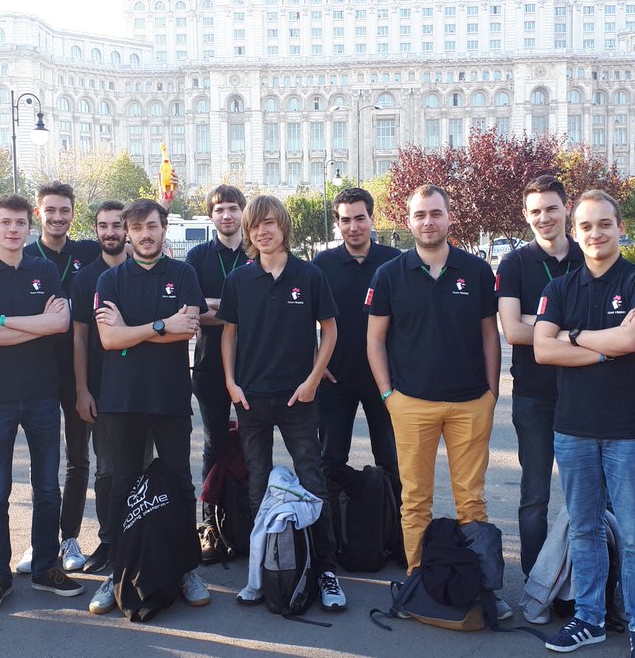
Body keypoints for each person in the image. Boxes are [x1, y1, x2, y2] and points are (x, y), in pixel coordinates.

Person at [365, 184, 508, 618]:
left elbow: (489, 332)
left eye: (435, 213)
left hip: (470, 403)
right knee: (416, 499)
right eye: (420, 215)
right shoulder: (389, 274)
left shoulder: (477, 270)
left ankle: (484, 586)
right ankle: (418, 580)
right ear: (408, 221)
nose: (428, 222)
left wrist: (491, 391)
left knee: (472, 500)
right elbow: (375, 339)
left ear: (450, 217)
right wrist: (389, 395)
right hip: (412, 403)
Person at [533, 189, 635, 657]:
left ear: (620, 227)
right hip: (573, 430)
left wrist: (574, 337)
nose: (595, 233)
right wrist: (602, 345)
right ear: (575, 231)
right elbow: (543, 350)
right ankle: (588, 618)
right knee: (583, 529)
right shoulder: (559, 289)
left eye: (604, 224)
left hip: (629, 431)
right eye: (586, 226)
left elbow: (633, 338)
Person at [218, 194, 347, 611]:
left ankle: (325, 570)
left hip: (297, 398)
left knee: (312, 481)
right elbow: (228, 334)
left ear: (283, 226)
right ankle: (261, 571)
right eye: (255, 226)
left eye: (269, 223)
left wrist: (312, 380)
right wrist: (230, 383)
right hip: (251, 400)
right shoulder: (239, 279)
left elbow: (329, 331)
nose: (262, 231)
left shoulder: (308, 276)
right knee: (258, 484)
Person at [0, 194, 83, 612]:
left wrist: (5, 322)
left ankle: (47, 566)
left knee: (48, 487)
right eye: (5, 222)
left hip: (43, 394)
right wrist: (38, 326)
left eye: (20, 223)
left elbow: (61, 322)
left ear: (30, 226)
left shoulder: (44, 269)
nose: (14, 229)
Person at [89, 198, 210, 614]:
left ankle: (186, 568)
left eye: (152, 226)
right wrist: (160, 325)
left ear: (163, 228)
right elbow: (108, 340)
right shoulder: (110, 280)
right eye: (137, 227)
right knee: (122, 485)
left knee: (180, 483)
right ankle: (118, 569)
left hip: (170, 397)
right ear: (126, 231)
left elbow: (187, 331)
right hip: (122, 401)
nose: (145, 234)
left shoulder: (183, 273)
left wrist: (131, 331)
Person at [496, 176, 584, 578]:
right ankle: (535, 578)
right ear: (525, 216)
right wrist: (576, 331)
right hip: (533, 395)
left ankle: (586, 576)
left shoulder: (589, 255)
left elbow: (611, 325)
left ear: (567, 208)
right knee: (535, 494)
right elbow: (513, 331)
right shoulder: (515, 263)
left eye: (551, 208)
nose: (544, 217)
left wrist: (543, 326)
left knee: (587, 494)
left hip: (587, 394)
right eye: (535, 211)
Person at [20, 180, 101, 573]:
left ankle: (69, 538)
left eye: (64, 211)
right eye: (50, 210)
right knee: (41, 462)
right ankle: (40, 541)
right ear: (39, 213)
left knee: (76, 460)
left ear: (73, 214)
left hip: (76, 371)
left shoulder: (86, 252)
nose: (57, 217)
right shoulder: (23, 256)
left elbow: (128, 244)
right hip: (34, 371)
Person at [313, 188, 400, 484]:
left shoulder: (394, 261)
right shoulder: (321, 264)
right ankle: (333, 527)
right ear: (337, 223)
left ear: (372, 219)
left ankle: (393, 528)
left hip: (385, 381)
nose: (353, 227)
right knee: (330, 460)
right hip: (335, 379)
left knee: (391, 460)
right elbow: (302, 318)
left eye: (360, 218)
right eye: (346, 220)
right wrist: (316, 361)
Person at [67, 200, 128, 576]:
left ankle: (136, 538)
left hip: (138, 390)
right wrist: (81, 390)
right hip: (100, 389)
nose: (110, 232)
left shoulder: (144, 272)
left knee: (137, 467)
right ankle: (108, 541)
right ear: (96, 230)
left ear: (128, 229)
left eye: (117, 225)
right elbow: (78, 338)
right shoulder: (85, 277)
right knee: (105, 471)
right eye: (103, 226)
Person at [184, 185, 249, 536]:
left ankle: (248, 515)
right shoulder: (197, 256)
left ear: (243, 212)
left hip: (253, 364)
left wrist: (214, 306)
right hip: (209, 366)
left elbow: (266, 309)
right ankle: (210, 522)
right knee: (215, 443)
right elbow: (190, 312)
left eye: (233, 208)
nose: (227, 215)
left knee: (254, 442)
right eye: (220, 209)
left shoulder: (256, 251)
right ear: (211, 216)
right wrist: (239, 310)